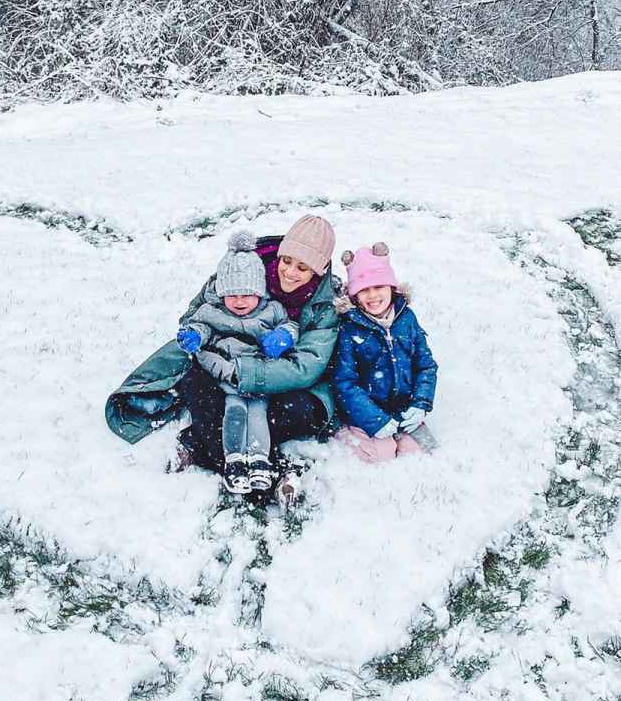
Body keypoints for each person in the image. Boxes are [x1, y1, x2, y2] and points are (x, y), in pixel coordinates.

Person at [105, 214, 339, 506]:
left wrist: (246, 373)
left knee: (295, 412)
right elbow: (196, 314)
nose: (289, 272)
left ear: (320, 270)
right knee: (198, 385)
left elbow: (306, 367)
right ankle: (263, 471)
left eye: (303, 268)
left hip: (281, 380)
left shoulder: (324, 305)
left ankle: (206, 448)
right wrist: (202, 339)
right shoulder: (244, 269)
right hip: (223, 363)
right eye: (287, 261)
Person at [177, 231, 300, 494]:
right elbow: (201, 327)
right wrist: (194, 335)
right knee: (234, 412)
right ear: (221, 293)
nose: (240, 301)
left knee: (258, 414)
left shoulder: (272, 310)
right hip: (227, 375)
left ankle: (258, 460)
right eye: (232, 295)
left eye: (247, 294)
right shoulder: (213, 311)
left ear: (260, 291)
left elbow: (290, 325)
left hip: (259, 377)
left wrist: (284, 336)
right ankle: (233, 460)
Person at [332, 242, 438, 462]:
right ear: (354, 296)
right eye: (364, 290)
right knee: (382, 456)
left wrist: (420, 403)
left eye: (378, 287)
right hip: (365, 413)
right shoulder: (350, 328)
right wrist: (374, 419)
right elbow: (345, 382)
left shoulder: (406, 319)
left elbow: (426, 365)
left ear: (391, 288)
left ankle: (402, 433)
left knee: (422, 454)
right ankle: (345, 434)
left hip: (403, 409)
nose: (372, 296)